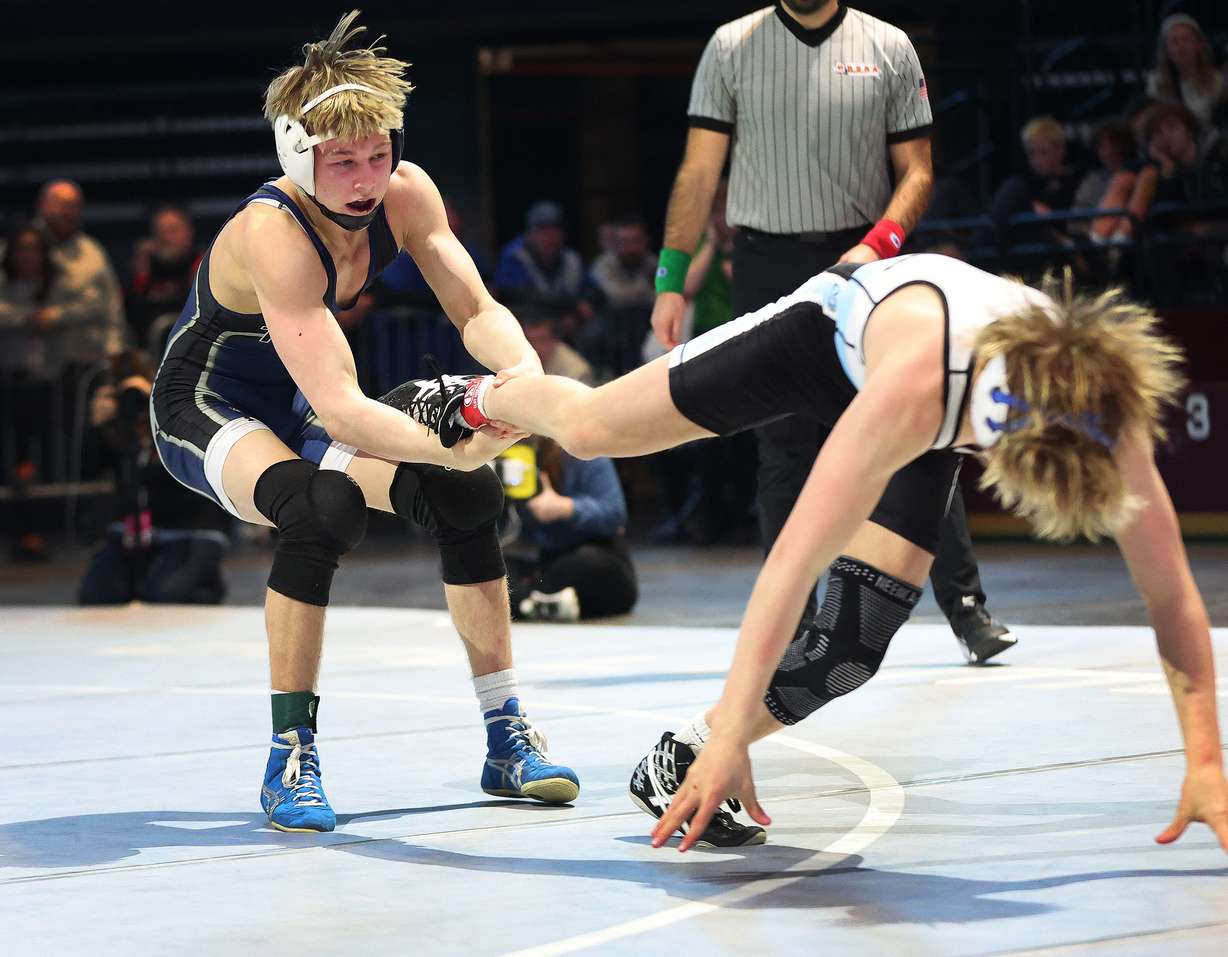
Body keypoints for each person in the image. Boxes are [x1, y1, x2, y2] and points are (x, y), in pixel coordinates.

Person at [396, 251, 1227, 856]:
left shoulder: (1107, 415)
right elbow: (793, 560)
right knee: (593, 425)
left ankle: (680, 753)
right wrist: (739, 737)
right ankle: (474, 397)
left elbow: (1170, 596)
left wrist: (1204, 757)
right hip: (825, 335)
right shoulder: (918, 394)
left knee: (853, 642)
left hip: (940, 374)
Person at [148, 11, 577, 833]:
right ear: (295, 154)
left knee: (471, 498)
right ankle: (289, 760)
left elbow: (476, 308)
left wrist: (523, 381)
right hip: (207, 404)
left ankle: (505, 735)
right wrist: (454, 443)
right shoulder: (272, 232)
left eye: (377, 153)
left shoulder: (407, 194)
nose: (365, 178)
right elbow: (344, 408)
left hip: (304, 393)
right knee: (319, 508)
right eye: (341, 160)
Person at [650, 0, 1013, 668]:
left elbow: (919, 172)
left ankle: (967, 609)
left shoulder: (889, 44)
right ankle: (790, 627)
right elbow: (699, 172)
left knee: (913, 432)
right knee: (781, 447)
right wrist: (671, 275)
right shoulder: (731, 47)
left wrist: (877, 246)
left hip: (867, 256)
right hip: (765, 261)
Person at [79, 348, 228, 605]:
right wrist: (99, 427)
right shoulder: (120, 430)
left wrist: (159, 411)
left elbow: (197, 474)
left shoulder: (182, 410)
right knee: (97, 594)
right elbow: (88, 470)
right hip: (129, 534)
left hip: (189, 532)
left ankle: (207, 582)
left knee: (166, 596)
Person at [502, 436, 637, 622]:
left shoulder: (582, 452)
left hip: (598, 554)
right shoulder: (513, 460)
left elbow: (615, 513)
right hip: (548, 561)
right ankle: (539, 602)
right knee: (495, 567)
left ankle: (531, 601)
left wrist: (565, 508)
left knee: (585, 564)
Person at [126, 203, 203, 353]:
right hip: (152, 356)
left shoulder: (203, 266)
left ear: (189, 233)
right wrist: (141, 275)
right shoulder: (147, 270)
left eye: (173, 230)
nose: (166, 238)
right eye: (160, 232)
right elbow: (131, 321)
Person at [492, 201, 585, 308]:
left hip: (566, 321)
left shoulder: (572, 260)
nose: (551, 237)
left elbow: (589, 295)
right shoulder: (515, 257)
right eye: (543, 230)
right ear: (529, 234)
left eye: (556, 229)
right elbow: (517, 298)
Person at [1146, 13, 1227, 133]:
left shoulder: (1216, 80)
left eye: (1186, 39)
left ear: (1198, 45)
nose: (1181, 46)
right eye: (1174, 41)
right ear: (1166, 50)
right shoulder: (1156, 82)